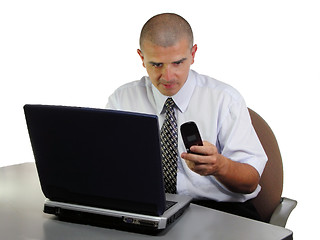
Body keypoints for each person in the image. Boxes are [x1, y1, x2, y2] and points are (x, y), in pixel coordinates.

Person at [106, 13, 267, 221]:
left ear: (193, 54)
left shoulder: (225, 100)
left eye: (177, 63)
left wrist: (220, 165)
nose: (168, 76)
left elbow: (250, 181)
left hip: (218, 212)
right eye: (156, 64)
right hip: (148, 210)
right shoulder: (122, 99)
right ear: (141, 58)